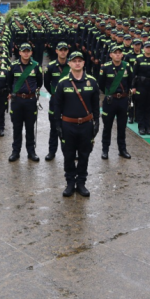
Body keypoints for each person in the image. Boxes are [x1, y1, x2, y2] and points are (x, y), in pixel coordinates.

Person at [52, 51, 100, 197]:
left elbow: (96, 105)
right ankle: (70, 183)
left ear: (84, 63)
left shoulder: (92, 81)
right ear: (70, 63)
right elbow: (57, 107)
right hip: (68, 125)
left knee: (84, 155)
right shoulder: (62, 83)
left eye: (80, 61)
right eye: (74, 61)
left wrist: (96, 122)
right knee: (68, 155)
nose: (77, 63)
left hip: (86, 125)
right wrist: (58, 125)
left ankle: (81, 183)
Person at [7, 43, 42, 163]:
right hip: (17, 100)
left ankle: (31, 151)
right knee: (17, 127)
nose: (26, 53)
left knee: (30, 127)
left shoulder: (36, 66)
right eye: (24, 51)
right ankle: (15, 151)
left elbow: (39, 82)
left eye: (28, 51)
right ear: (20, 52)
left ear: (31, 53)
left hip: (30, 100)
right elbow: (9, 81)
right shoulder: (13, 66)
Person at [98, 44, 133, 159]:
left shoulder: (127, 66)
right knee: (107, 127)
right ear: (111, 55)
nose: (118, 55)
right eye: (115, 53)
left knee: (122, 127)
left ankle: (122, 149)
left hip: (123, 100)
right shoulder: (105, 68)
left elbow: (131, 81)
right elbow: (101, 84)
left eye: (119, 53)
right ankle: (105, 150)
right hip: (110, 101)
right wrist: (110, 93)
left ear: (122, 55)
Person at [43, 42, 70, 161]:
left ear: (67, 51)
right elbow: (46, 84)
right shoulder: (50, 66)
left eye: (65, 50)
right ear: (57, 51)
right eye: (61, 50)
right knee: (54, 128)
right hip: (55, 101)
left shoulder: (72, 65)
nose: (63, 52)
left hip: (70, 101)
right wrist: (55, 94)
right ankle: (51, 152)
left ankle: (70, 152)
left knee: (69, 128)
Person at [132, 42, 150, 135]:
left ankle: (148, 126)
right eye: (147, 47)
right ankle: (141, 126)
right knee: (141, 106)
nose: (148, 49)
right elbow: (134, 74)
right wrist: (133, 87)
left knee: (149, 107)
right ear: (143, 48)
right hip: (141, 85)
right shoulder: (139, 59)